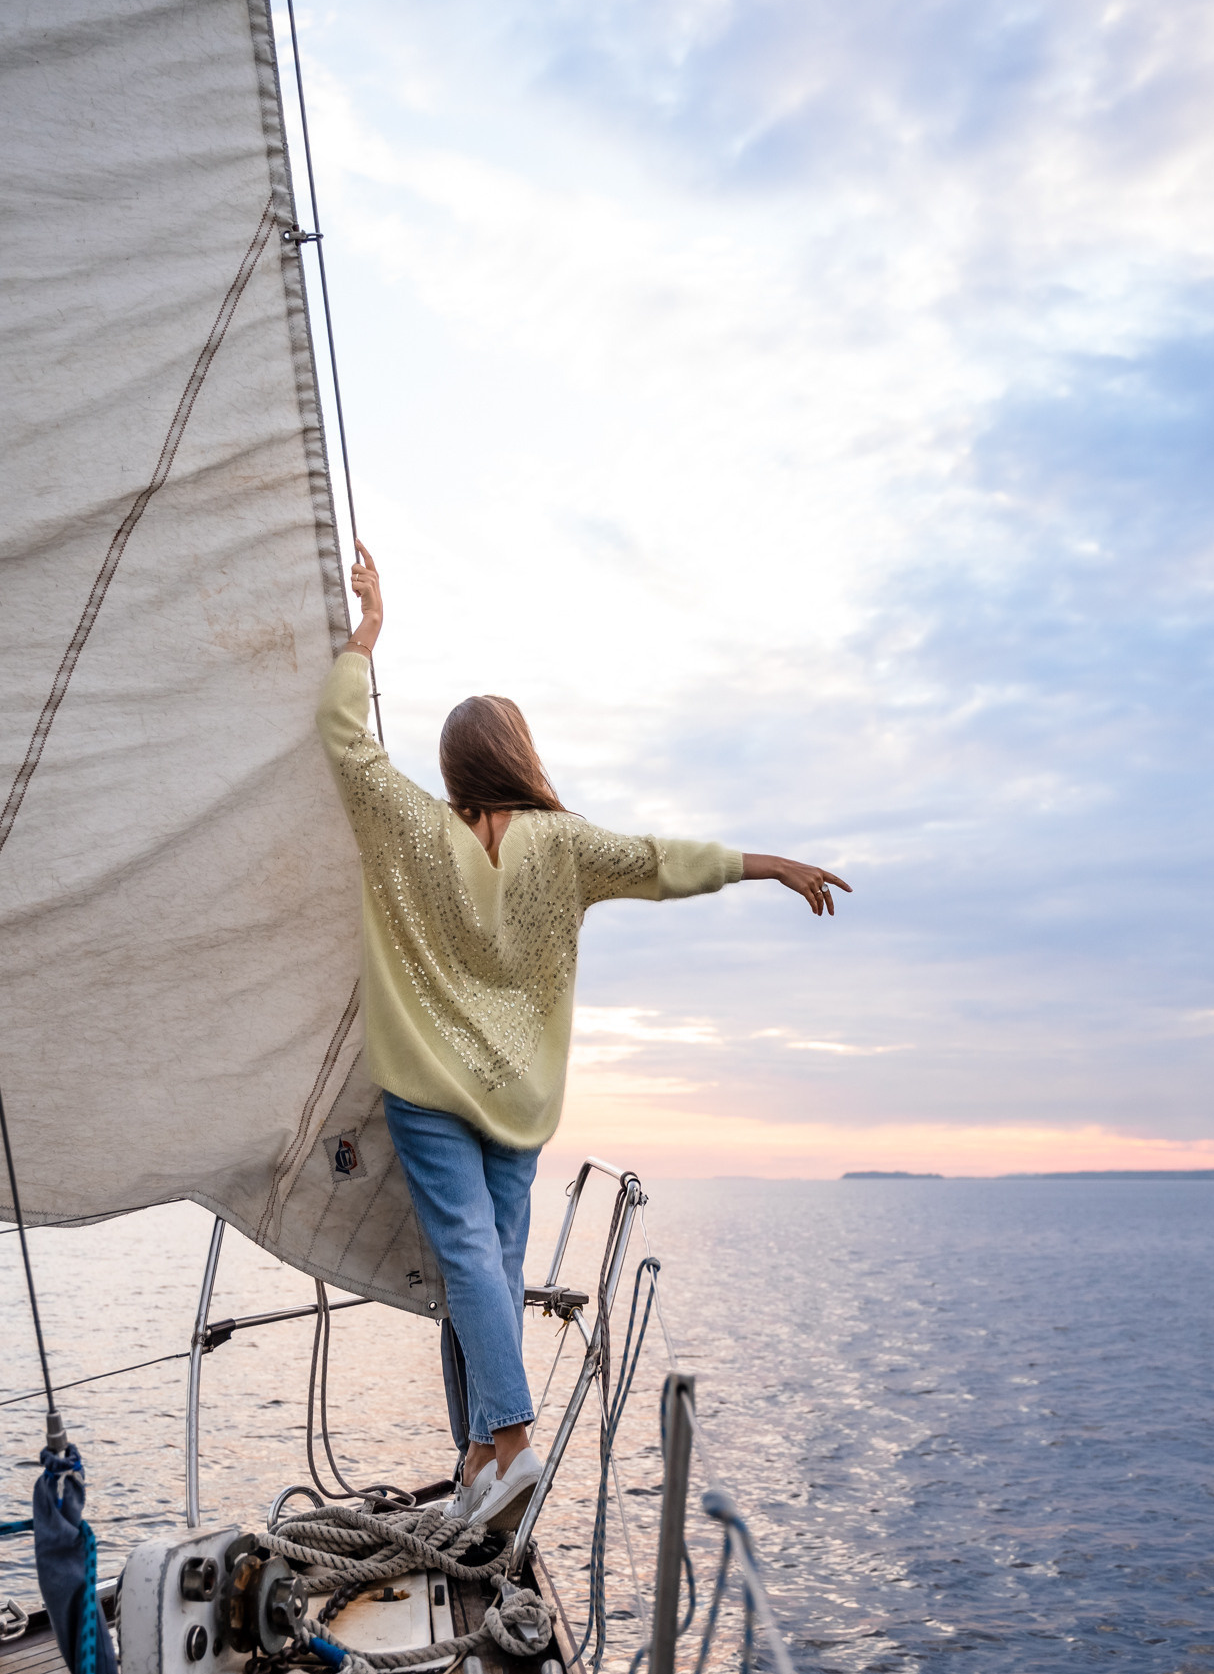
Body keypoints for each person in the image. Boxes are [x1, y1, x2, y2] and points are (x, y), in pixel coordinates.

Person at [317, 544, 851, 1533]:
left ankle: (507, 1447)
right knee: (488, 1266)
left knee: (469, 1258)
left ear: (453, 768)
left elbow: (342, 737)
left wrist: (371, 627)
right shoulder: (564, 845)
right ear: (521, 757)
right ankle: (483, 1466)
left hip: (427, 1085)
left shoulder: (412, 826)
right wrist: (772, 863)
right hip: (518, 1099)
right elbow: (663, 861)